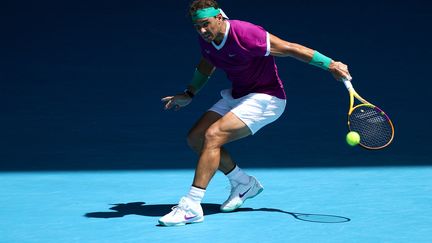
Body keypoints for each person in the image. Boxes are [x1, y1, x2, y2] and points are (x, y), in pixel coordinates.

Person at [159, 0, 352, 226]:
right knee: (196, 138)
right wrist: (189, 93)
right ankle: (243, 183)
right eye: (197, 26)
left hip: (267, 98)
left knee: (213, 136)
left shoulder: (246, 33)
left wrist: (330, 64)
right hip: (239, 94)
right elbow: (207, 64)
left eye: (206, 24)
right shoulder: (208, 39)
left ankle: (191, 206)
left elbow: (290, 48)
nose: (202, 31)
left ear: (219, 18)